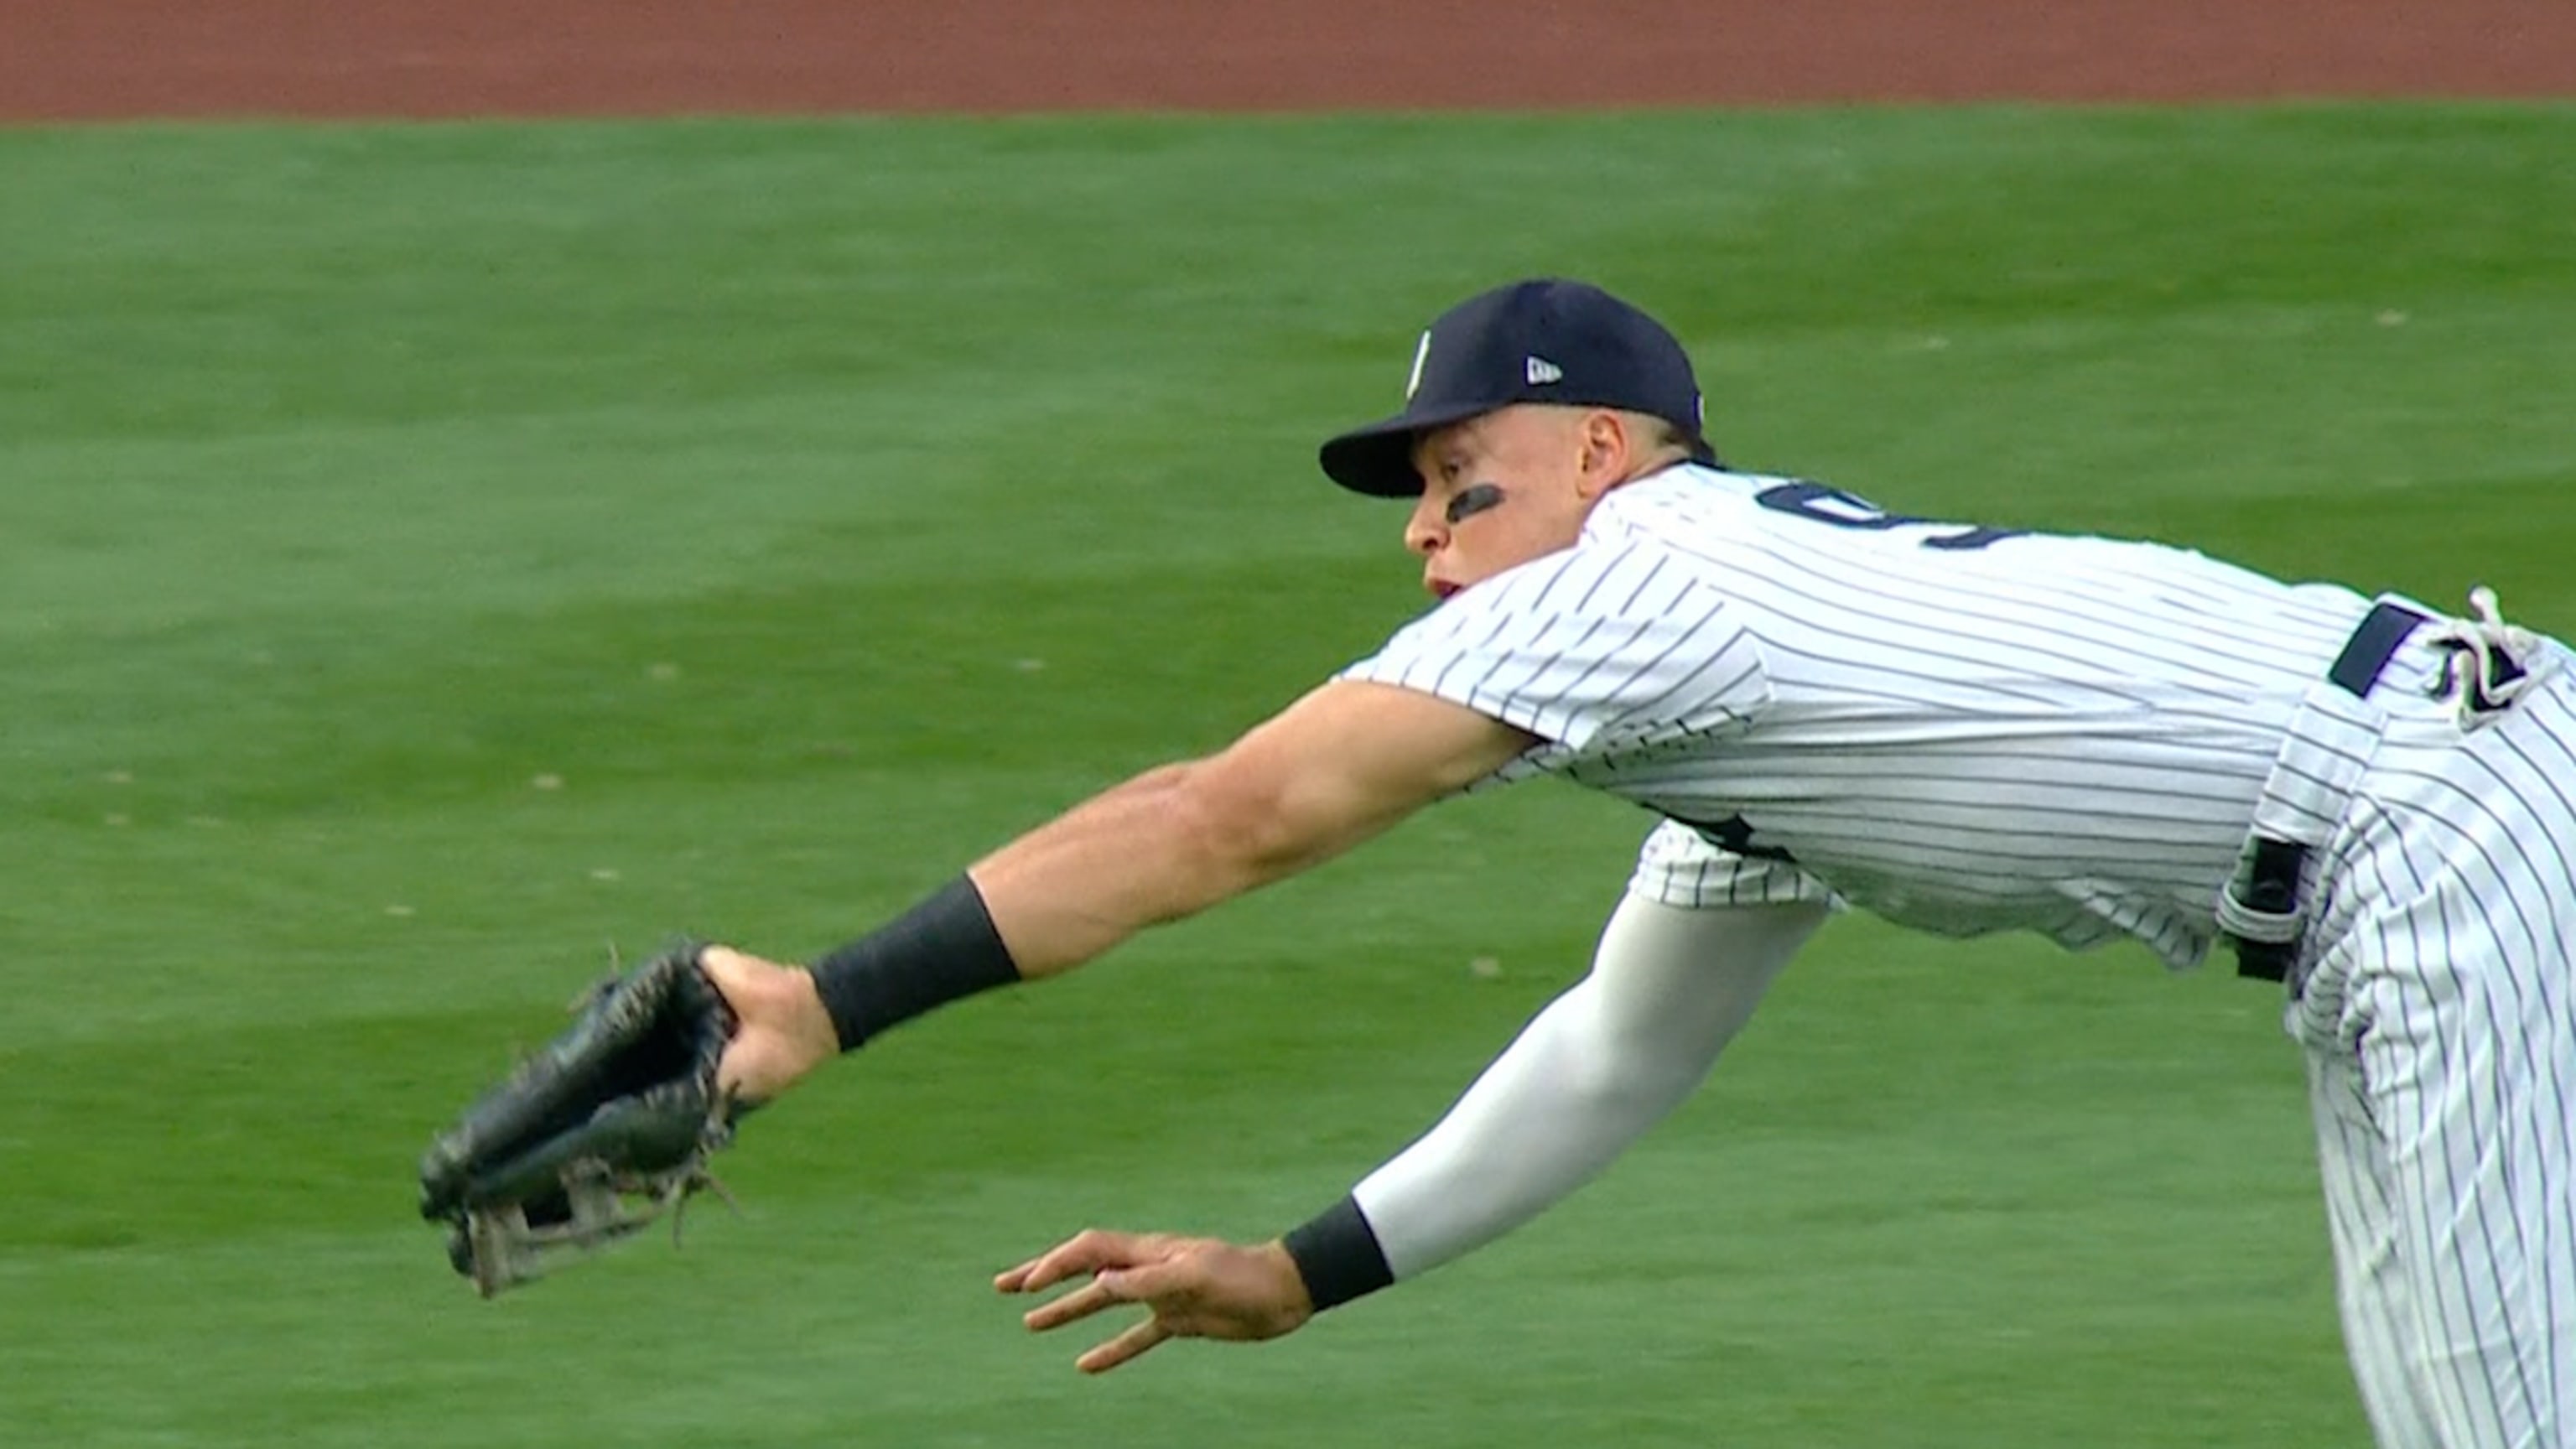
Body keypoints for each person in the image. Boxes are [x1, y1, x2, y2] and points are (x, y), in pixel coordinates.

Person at [699, 278, 2573, 1448]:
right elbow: (1621, 1046)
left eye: (1463, 481)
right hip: (2446, 822)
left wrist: (828, 1005)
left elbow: (1227, 816)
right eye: (1417, 505)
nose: (1426, 540)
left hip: (2447, 828)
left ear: (1602, 451)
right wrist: (1297, 1273)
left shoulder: (1640, 582)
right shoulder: (1740, 704)